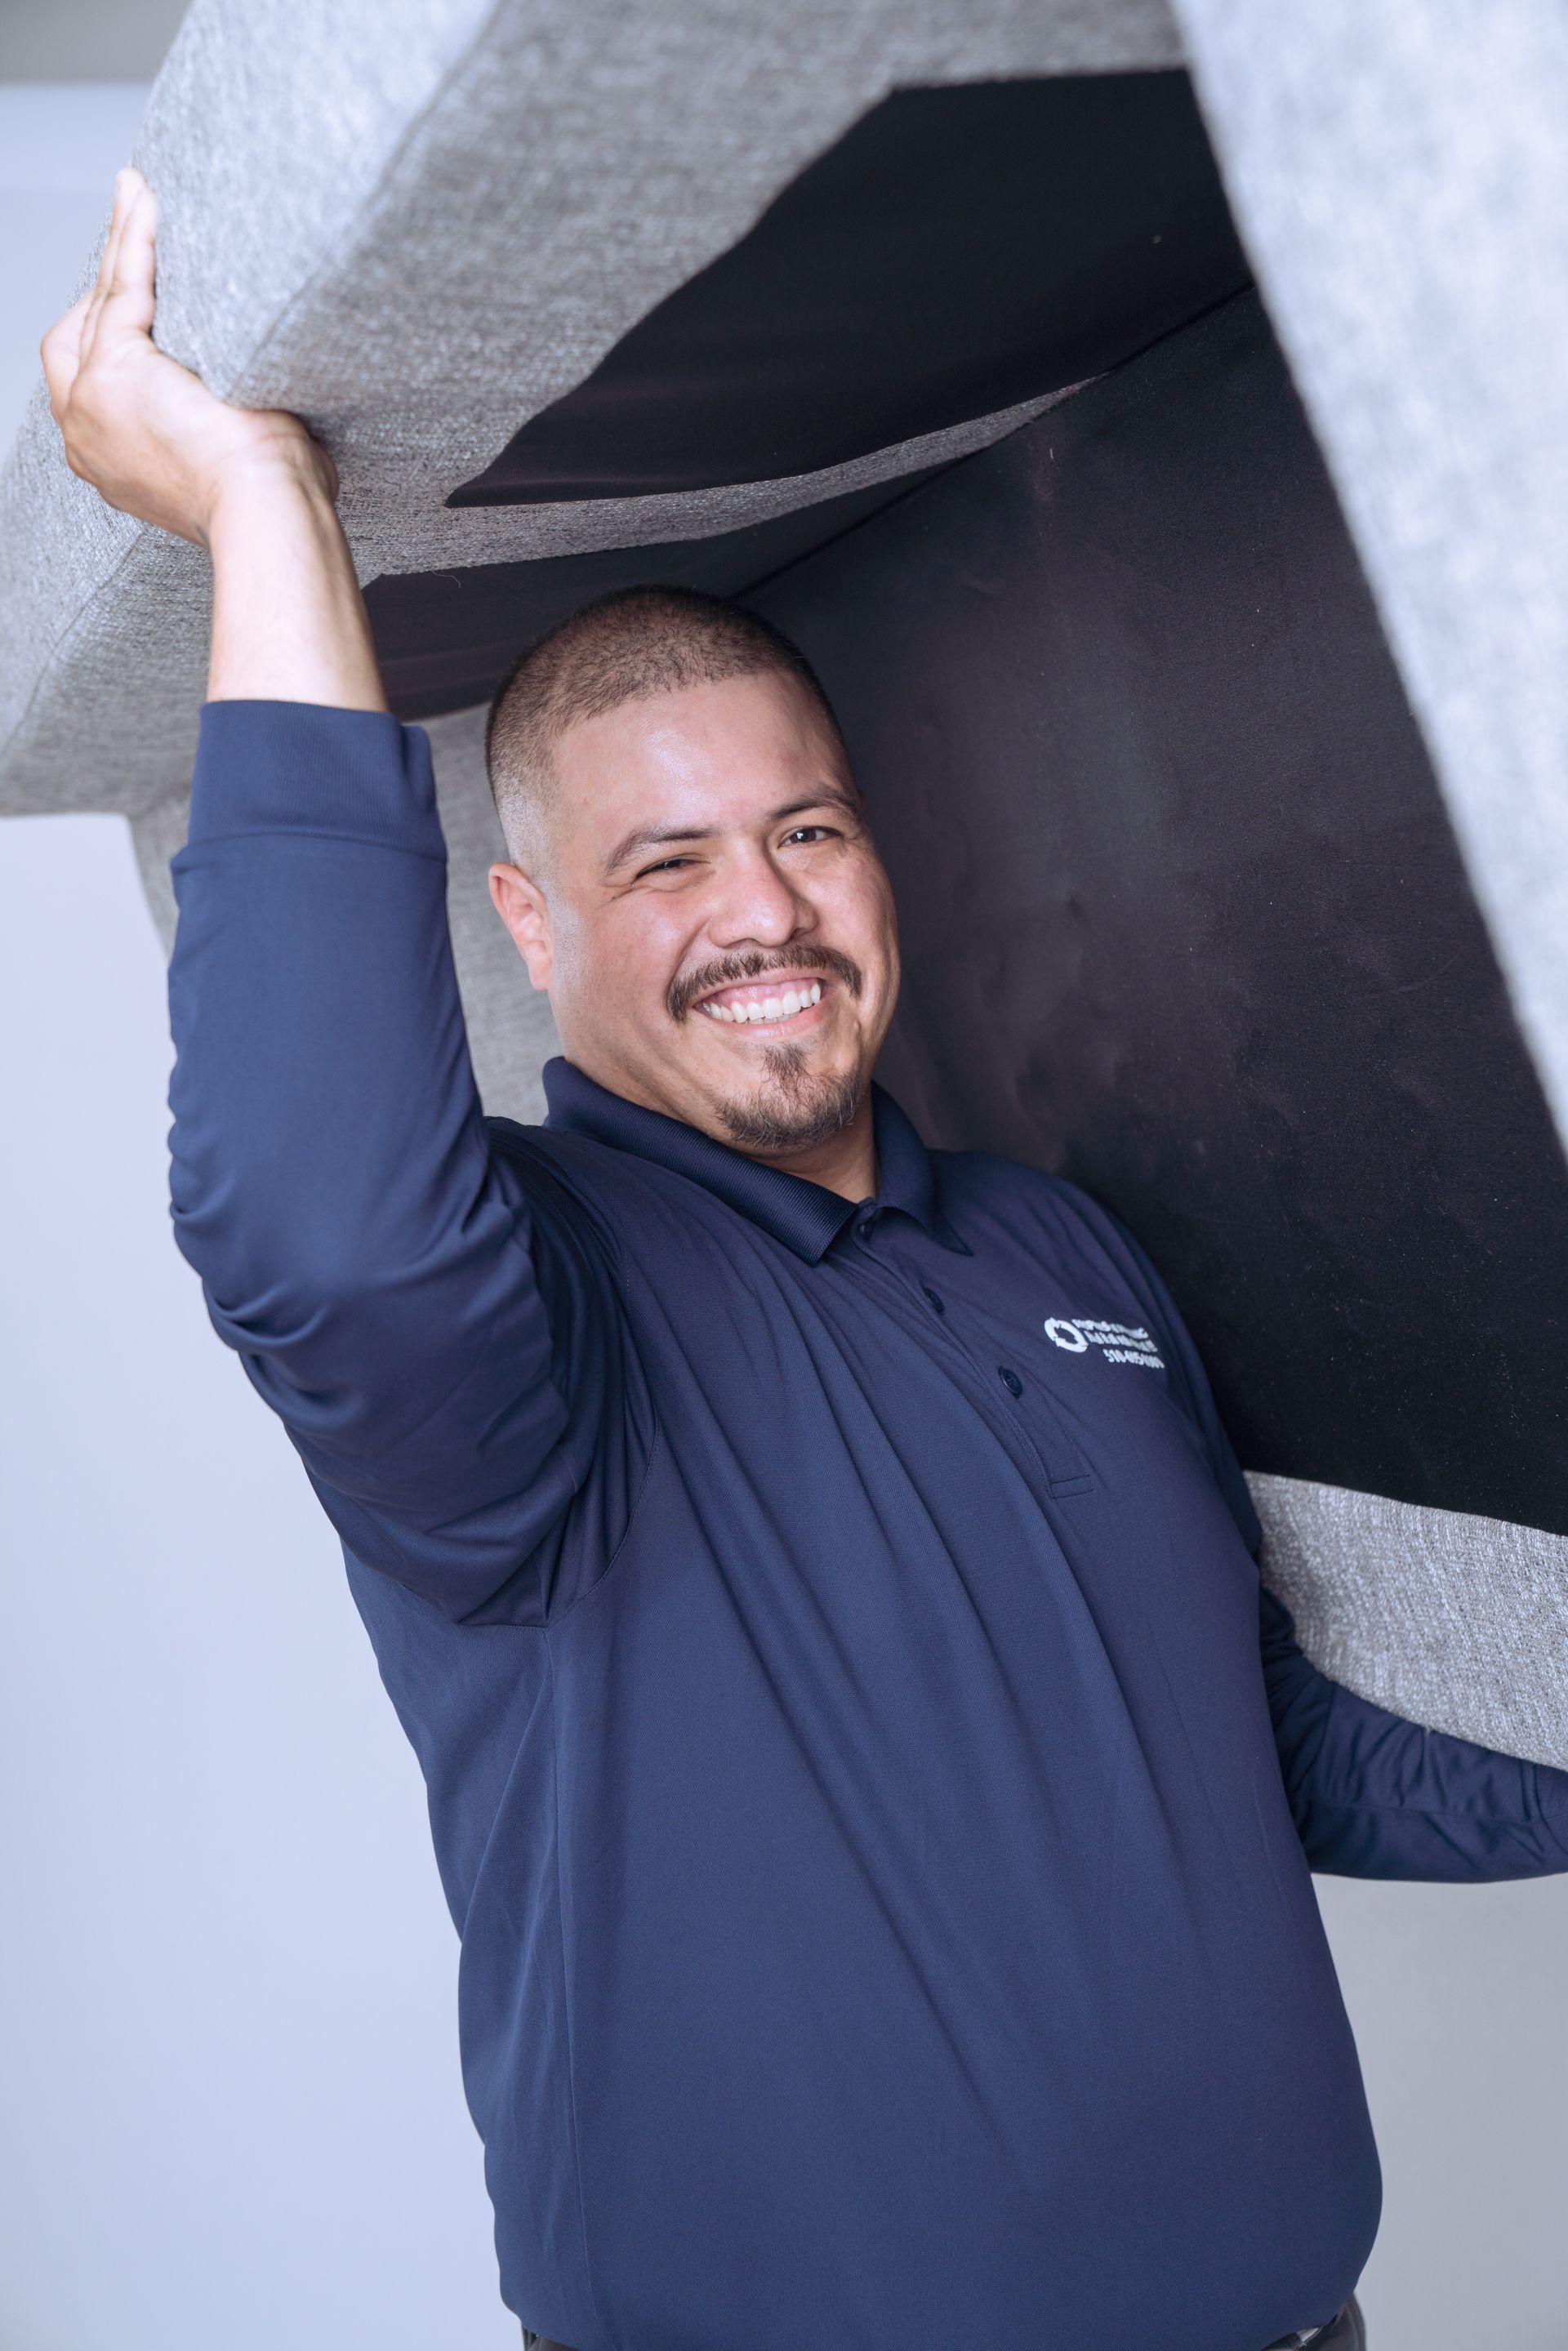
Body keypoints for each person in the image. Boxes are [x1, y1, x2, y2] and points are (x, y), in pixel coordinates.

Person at [44, 171, 1568, 2351]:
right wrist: (260, 507)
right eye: (662, 862)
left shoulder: (1063, 1248)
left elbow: (1262, 1750)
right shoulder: (517, 1332)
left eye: (804, 831)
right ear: (533, 930)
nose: (760, 913)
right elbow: (322, 1228)